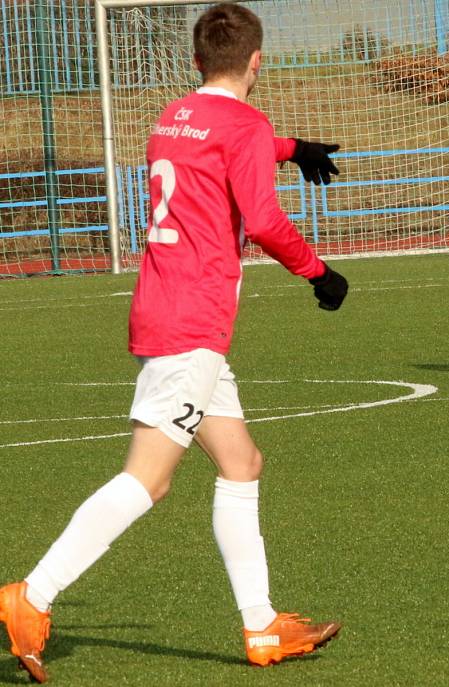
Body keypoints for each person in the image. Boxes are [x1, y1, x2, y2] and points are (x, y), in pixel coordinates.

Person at [0, 4, 348, 682]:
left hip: (167, 312)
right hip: (192, 325)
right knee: (149, 478)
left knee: (242, 461)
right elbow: (266, 217)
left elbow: (221, 148)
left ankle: (262, 626)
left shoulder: (172, 116)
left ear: (196, 63)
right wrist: (318, 271)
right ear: (258, 61)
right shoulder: (244, 123)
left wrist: (290, 148)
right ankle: (31, 595)